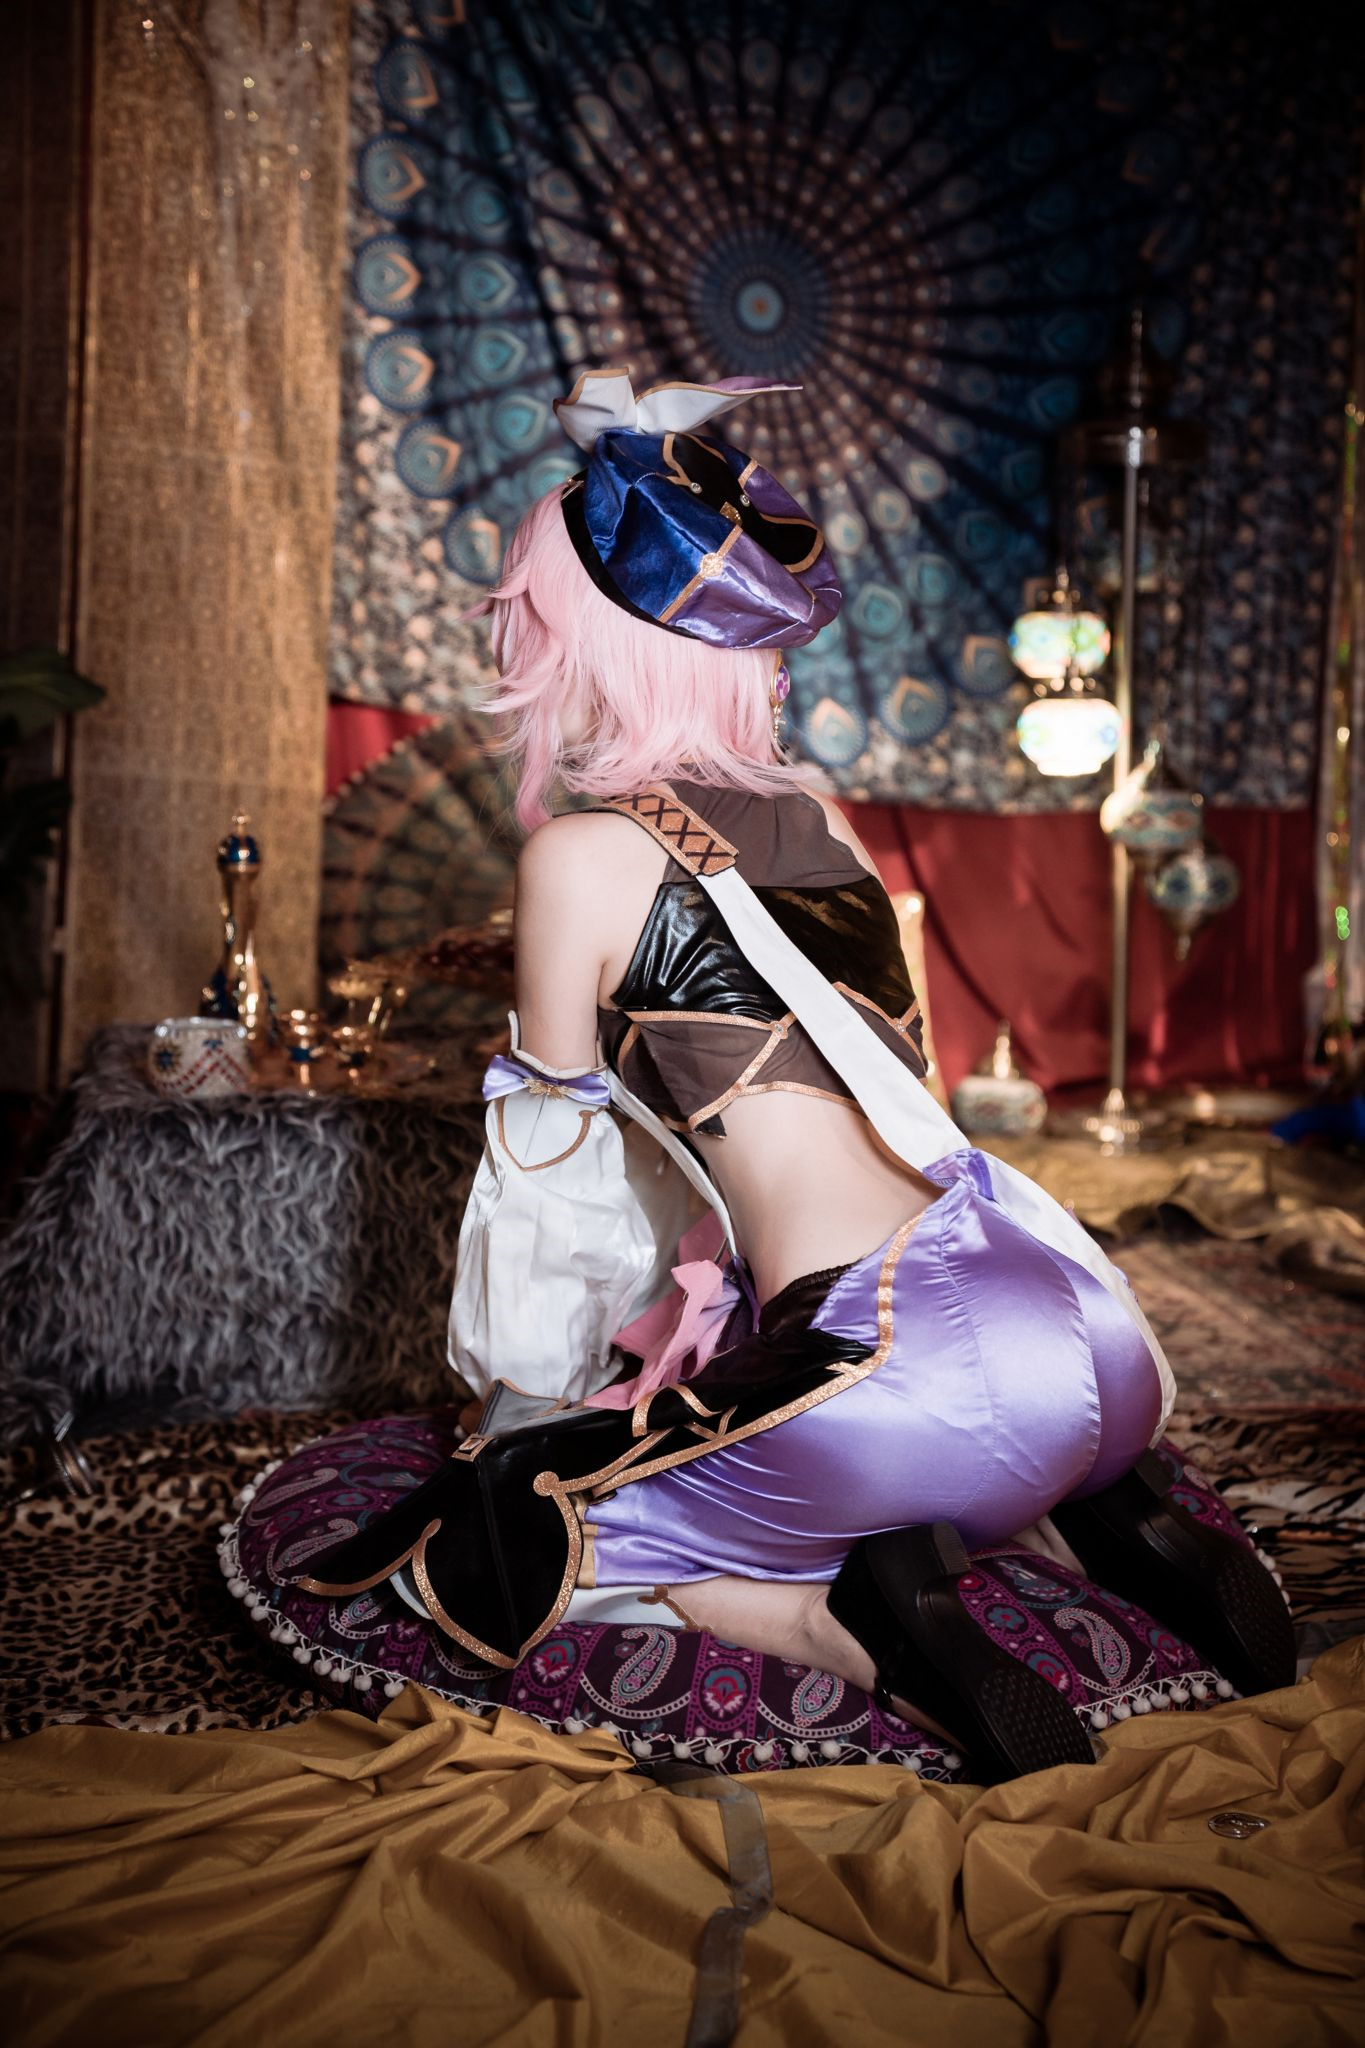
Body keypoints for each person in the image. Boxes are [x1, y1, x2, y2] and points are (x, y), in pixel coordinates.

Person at [294, 372, 1293, 1780]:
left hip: (890, 1380)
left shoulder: (575, 859)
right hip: (1088, 1328)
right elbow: (883, 1070)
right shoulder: (824, 820)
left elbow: (554, 1190)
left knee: (510, 1522)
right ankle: (1099, 1519)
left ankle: (849, 1621)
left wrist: (523, 1413)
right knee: (973, 1427)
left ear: (595, 647)